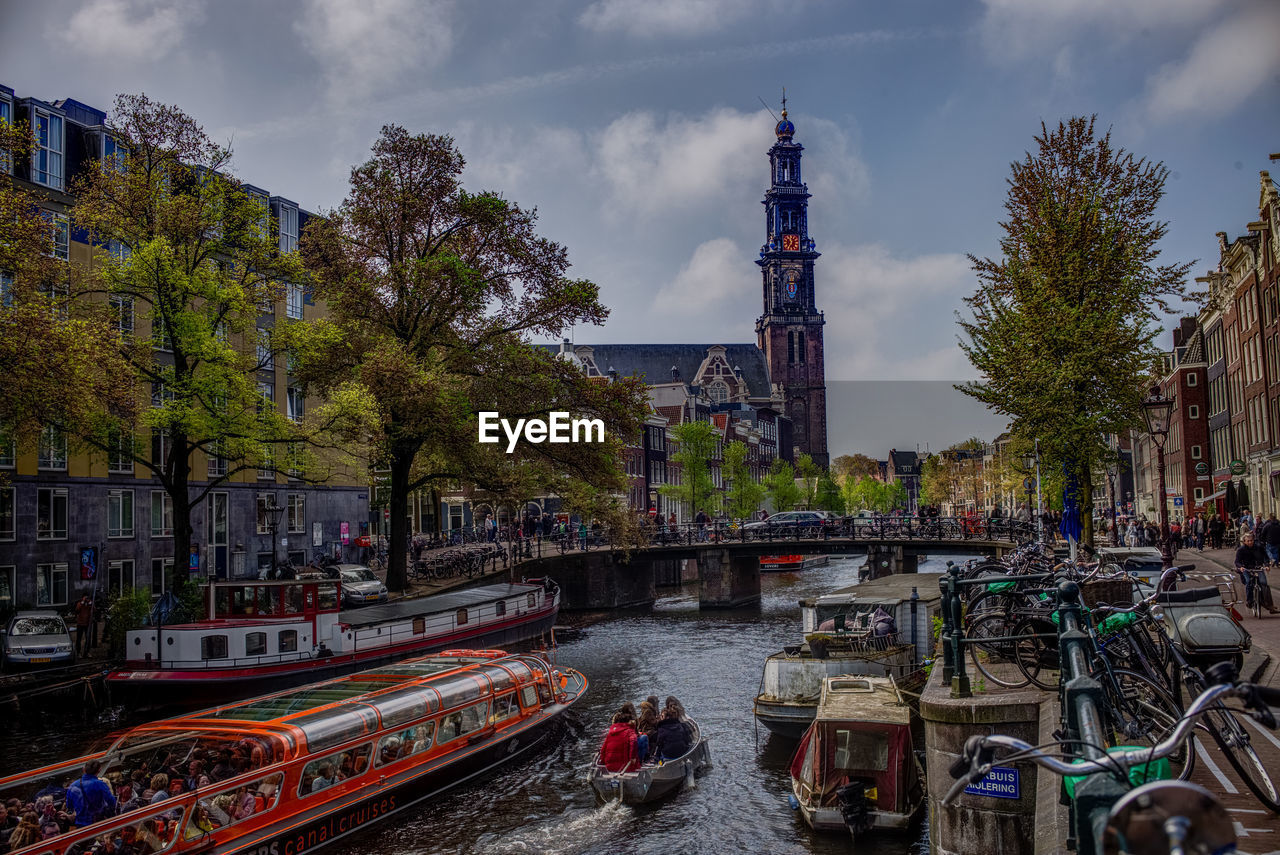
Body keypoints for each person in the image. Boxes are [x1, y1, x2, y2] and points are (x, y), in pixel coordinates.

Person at [1235, 530, 1279, 614]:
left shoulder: (1259, 547)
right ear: (1244, 541)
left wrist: (1266, 565)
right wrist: (1240, 567)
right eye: (1248, 541)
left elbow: (1266, 557)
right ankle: (1249, 601)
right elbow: (1237, 561)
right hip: (1246, 569)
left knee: (1264, 583)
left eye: (1251, 540)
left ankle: (1269, 605)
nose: (1250, 542)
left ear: (1253, 540)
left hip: (1258, 568)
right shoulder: (1241, 550)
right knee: (1249, 582)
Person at [67, 761, 117, 827]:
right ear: (99, 770)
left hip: (80, 824)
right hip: (97, 823)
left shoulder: (73, 785)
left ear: (83, 769)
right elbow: (112, 802)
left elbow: (69, 806)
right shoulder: (100, 784)